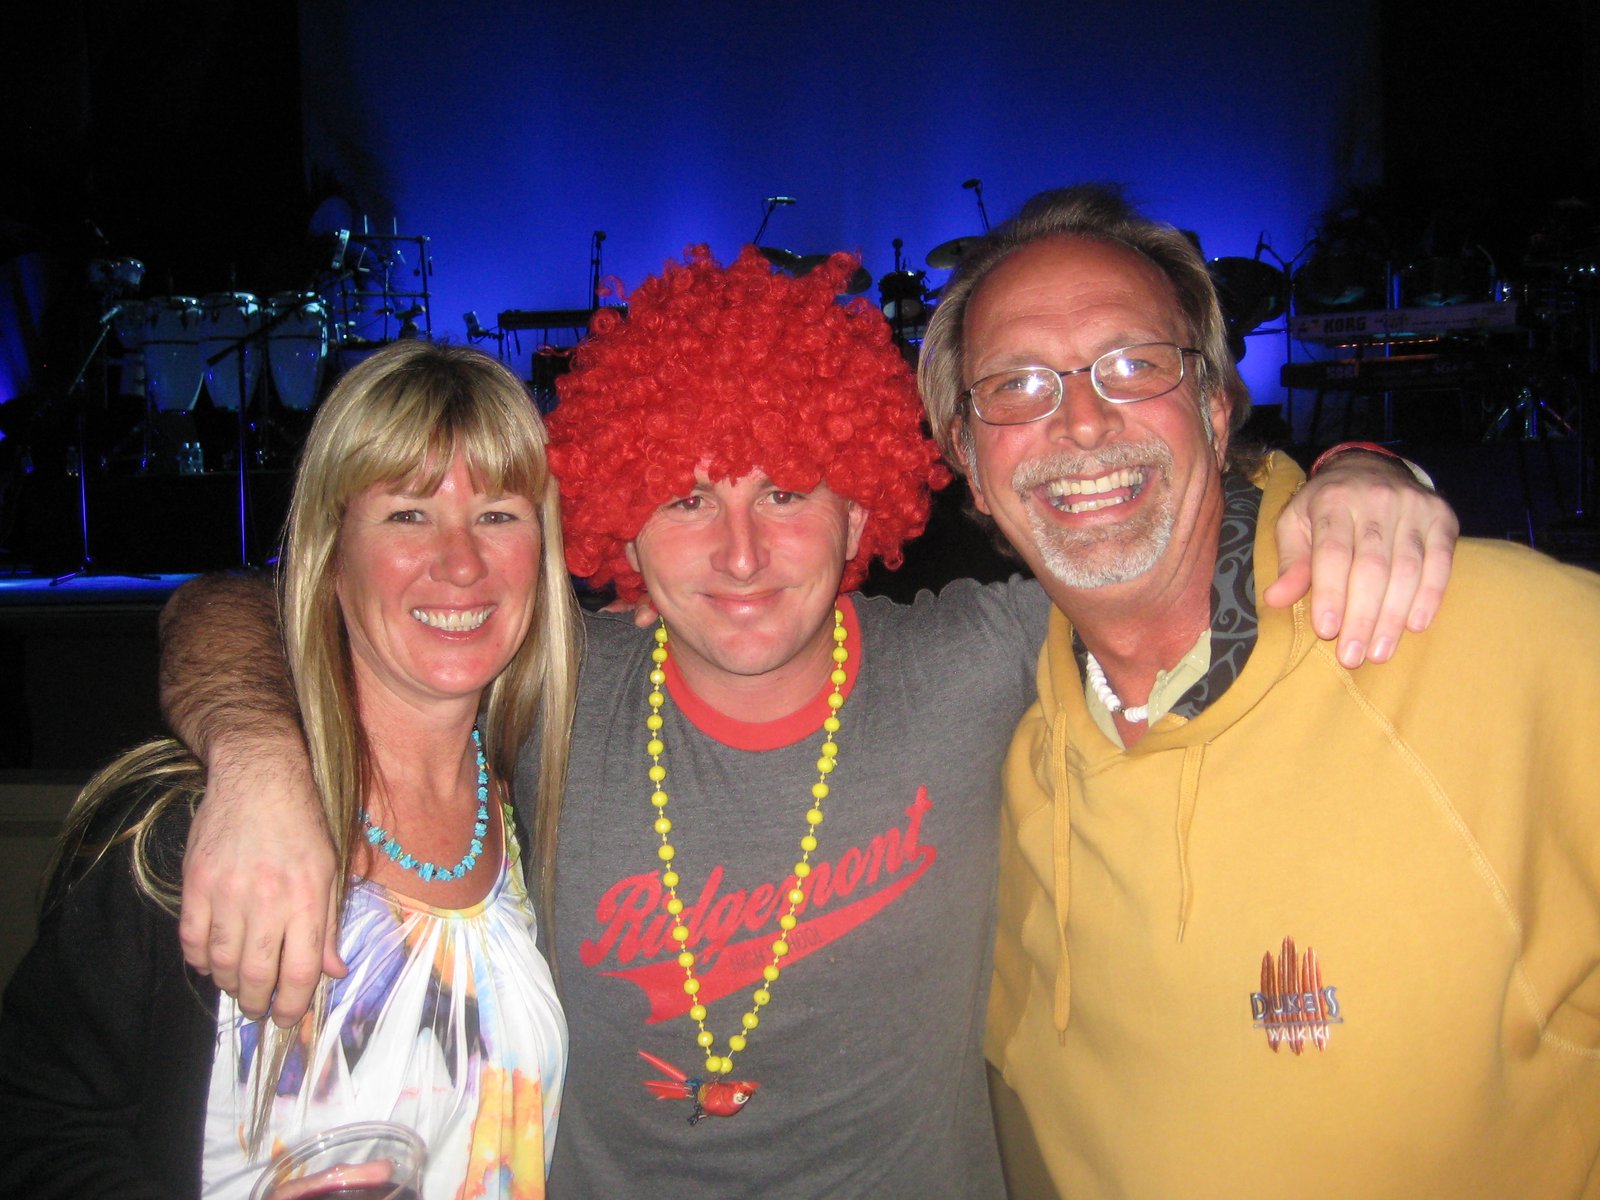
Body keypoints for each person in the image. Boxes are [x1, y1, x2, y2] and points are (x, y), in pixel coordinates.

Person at [158, 247, 1458, 1198]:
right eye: (685, 499)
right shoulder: (547, 688)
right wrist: (258, 753)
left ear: (859, 509)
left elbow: (1177, 529)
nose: (739, 553)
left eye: (785, 491)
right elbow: (240, 606)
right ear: (618, 523)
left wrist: (1357, 469)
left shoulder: (974, 662)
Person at [919, 183, 1600, 1198]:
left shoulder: (1501, 640)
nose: (1082, 421)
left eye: (1132, 364)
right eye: (1015, 384)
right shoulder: (1012, 762)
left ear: (1212, 404)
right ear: (969, 463)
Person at [0, 341, 580, 1198]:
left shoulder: (530, 805)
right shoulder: (194, 827)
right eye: (407, 515)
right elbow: (37, 1127)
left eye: (498, 515)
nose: (461, 563)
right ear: (331, 553)